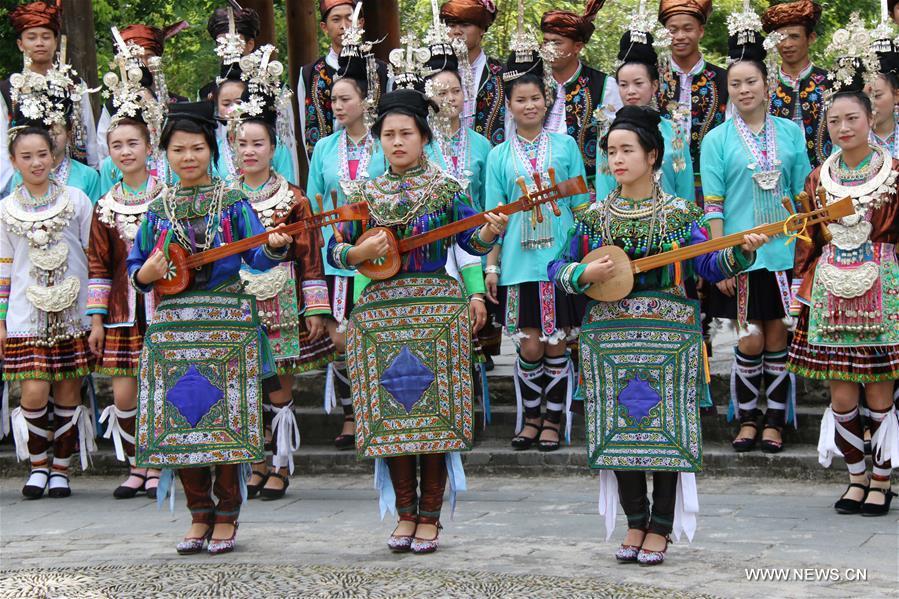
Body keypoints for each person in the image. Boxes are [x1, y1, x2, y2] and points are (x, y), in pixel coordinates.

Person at [549, 105, 765, 566]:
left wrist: (740, 255)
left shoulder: (680, 215)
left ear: (652, 156)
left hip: (668, 337)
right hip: (610, 338)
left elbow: (709, 264)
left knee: (667, 428)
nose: (617, 159)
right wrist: (583, 273)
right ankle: (634, 521)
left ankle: (661, 526)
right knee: (619, 427)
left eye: (627, 150)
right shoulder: (593, 218)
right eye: (611, 151)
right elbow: (557, 267)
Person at [328, 88, 506, 554]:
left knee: (436, 415)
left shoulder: (446, 188)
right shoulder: (364, 194)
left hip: (436, 315)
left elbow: (471, 243)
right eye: (388, 134)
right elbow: (335, 249)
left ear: (424, 137)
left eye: (406, 133)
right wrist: (358, 253)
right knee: (392, 415)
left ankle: (430, 516)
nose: (397, 142)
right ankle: (405, 513)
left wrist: (490, 230)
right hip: (380, 318)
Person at [126, 101, 293, 555]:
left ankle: (228, 512)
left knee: (227, 420)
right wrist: (147, 273)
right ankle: (198, 512)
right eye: (178, 149)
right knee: (181, 419)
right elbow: (136, 266)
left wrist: (275, 246)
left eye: (197, 148)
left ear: (212, 151)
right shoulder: (158, 209)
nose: (188, 157)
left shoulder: (232, 201)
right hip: (174, 328)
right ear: (165, 154)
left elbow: (257, 256)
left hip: (227, 323)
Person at [788, 15, 899, 517]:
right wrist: (800, 288)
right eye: (834, 121)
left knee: (879, 393)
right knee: (840, 395)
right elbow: (808, 239)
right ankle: (855, 477)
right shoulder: (818, 178)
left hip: (884, 288)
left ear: (870, 118)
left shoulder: (893, 173)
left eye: (851, 118)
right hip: (830, 291)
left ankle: (882, 480)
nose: (843, 128)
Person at [700, 11, 811, 454]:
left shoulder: (791, 133)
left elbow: (803, 195)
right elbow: (713, 204)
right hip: (742, 253)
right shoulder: (716, 139)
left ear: (767, 85)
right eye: (735, 84)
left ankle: (776, 422)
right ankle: (747, 418)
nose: (744, 90)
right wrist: (720, 259)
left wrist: (805, 254)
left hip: (785, 252)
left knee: (778, 335)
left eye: (751, 81)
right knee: (749, 338)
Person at [233, 46, 333, 500]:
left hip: (282, 305)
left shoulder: (293, 198)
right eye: (242, 144)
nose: (250, 151)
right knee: (247, 386)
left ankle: (280, 464)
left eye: (258, 143)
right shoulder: (225, 198)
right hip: (238, 305)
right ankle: (255, 463)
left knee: (276, 386)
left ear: (274, 148)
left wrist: (316, 308)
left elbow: (309, 256)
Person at [484, 37, 589, 453]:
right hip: (517, 262)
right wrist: (491, 267)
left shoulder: (565, 146)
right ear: (509, 106)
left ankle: (553, 419)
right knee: (529, 345)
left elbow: (582, 208)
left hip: (560, 262)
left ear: (547, 101)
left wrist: (585, 260)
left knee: (557, 343)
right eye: (520, 100)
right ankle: (530, 418)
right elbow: (494, 219)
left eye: (536, 98)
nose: (529, 105)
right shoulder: (498, 156)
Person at [87, 46, 169, 500]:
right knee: (124, 395)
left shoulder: (167, 197)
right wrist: (96, 319)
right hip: (121, 312)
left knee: (161, 388)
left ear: (149, 146)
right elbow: (99, 264)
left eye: (132, 143)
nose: (124, 151)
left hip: (165, 306)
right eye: (116, 145)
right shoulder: (105, 205)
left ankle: (158, 465)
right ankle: (137, 463)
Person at [3, 123, 95, 500]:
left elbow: (93, 255)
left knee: (69, 390)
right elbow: (4, 267)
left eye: (42, 154)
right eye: (26, 157)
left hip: (73, 312)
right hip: (26, 315)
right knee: (34, 391)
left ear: (53, 157)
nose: (36, 162)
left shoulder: (76, 200)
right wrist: (1, 319)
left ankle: (61, 469)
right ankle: (38, 465)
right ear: (14, 162)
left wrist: (96, 312)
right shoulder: (6, 210)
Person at [305, 11, 380, 448]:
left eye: (345, 98)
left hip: (375, 254)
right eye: (332, 99)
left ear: (365, 101)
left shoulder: (384, 143)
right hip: (335, 257)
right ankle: (352, 413)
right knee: (340, 337)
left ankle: (374, 410)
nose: (336, 105)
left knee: (370, 331)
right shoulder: (324, 147)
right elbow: (314, 203)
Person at [0, 1, 98, 196]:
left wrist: (94, 169)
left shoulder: (74, 84)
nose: (39, 43)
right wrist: (12, 183)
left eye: (46, 37)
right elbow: (2, 142)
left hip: (71, 177)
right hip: (22, 179)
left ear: (55, 42)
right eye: (32, 37)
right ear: (20, 44)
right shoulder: (7, 89)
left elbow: (87, 134)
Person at [595, 11, 693, 202]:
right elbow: (604, 191)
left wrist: (686, 217)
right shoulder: (609, 133)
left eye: (638, 83)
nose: (630, 91)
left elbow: (685, 188)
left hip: (669, 217)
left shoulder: (673, 131)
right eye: (623, 85)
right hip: (621, 218)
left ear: (654, 85)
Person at [539, 2, 621, 193]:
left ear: (577, 47)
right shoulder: (534, 83)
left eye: (556, 43)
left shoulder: (604, 85)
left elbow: (615, 141)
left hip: (586, 188)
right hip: (536, 185)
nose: (548, 48)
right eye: (545, 41)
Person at [299, 0, 388, 164]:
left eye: (349, 18)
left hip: (376, 162)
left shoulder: (381, 70)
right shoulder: (310, 73)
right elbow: (307, 127)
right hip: (328, 164)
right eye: (336, 19)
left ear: (360, 23)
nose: (344, 26)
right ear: (324, 27)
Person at [657, 0, 727, 207]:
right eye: (672, 30)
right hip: (661, 182)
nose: (680, 36)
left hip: (712, 181)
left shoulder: (723, 79)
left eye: (687, 29)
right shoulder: (651, 77)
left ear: (701, 31)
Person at [95, 22, 189, 162]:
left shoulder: (180, 103)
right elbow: (104, 154)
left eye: (149, 56)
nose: (143, 63)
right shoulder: (112, 107)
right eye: (136, 59)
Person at [763, 0, 831, 169]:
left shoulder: (830, 81)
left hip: (824, 172)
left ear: (811, 38)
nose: (787, 44)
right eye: (781, 38)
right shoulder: (764, 84)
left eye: (794, 36)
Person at [440, 0, 506, 146]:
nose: (457, 31)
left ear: (482, 29)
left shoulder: (501, 74)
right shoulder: (436, 73)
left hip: (491, 155)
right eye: (451, 25)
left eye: (465, 25)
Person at [869, 33, 899, 158]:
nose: (870, 104)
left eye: (877, 96)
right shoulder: (853, 137)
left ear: (896, 95)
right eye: (865, 97)